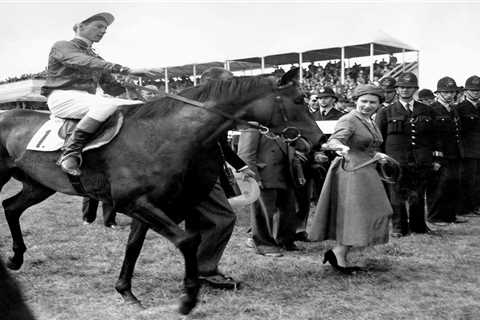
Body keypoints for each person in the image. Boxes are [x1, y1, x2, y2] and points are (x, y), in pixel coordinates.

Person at [41, 12, 161, 176]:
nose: (103, 31)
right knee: (107, 103)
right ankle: (70, 153)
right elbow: (79, 60)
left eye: (105, 28)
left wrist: (128, 86)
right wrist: (127, 70)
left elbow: (112, 88)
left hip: (88, 99)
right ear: (81, 27)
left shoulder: (95, 57)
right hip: (62, 97)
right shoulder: (62, 46)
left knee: (140, 107)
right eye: (99, 26)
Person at [308, 84, 392, 273]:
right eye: (364, 101)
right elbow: (335, 140)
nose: (367, 106)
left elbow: (370, 145)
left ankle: (339, 252)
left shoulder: (369, 120)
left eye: (372, 102)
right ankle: (339, 254)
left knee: (375, 212)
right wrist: (340, 147)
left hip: (367, 170)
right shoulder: (349, 119)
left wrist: (378, 156)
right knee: (355, 215)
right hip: (352, 171)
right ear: (356, 101)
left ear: (379, 104)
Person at [186, 67, 255, 289]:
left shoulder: (214, 108)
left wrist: (242, 166)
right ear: (210, 84)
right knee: (222, 218)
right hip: (195, 173)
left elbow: (222, 145)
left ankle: (194, 270)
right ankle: (205, 271)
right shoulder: (193, 108)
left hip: (203, 172)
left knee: (198, 222)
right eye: (227, 84)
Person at [376, 72, 436, 237]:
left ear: (415, 89)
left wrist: (435, 158)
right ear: (396, 89)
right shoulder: (386, 112)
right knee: (396, 195)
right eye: (401, 87)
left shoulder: (427, 110)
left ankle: (418, 226)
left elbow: (434, 136)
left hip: (420, 160)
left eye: (409, 88)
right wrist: (381, 159)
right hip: (395, 161)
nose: (405, 91)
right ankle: (399, 228)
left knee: (418, 194)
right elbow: (378, 138)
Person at [238, 121, 299, 257]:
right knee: (264, 210)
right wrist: (254, 178)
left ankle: (284, 239)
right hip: (264, 175)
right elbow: (245, 155)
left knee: (288, 209)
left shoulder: (281, 125)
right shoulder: (253, 126)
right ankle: (263, 243)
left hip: (285, 174)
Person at [427, 77, 467, 225]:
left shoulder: (454, 108)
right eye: (446, 92)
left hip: (455, 153)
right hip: (440, 154)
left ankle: (450, 215)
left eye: (452, 92)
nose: (450, 95)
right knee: (438, 186)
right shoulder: (432, 109)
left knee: (453, 184)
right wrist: (435, 156)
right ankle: (434, 216)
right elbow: (431, 135)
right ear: (438, 93)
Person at [456, 75, 480, 216]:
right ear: (466, 91)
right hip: (468, 150)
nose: (476, 92)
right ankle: (466, 207)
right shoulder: (460, 108)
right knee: (468, 179)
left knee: (478, 180)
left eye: (478, 90)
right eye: (472, 90)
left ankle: (476, 205)